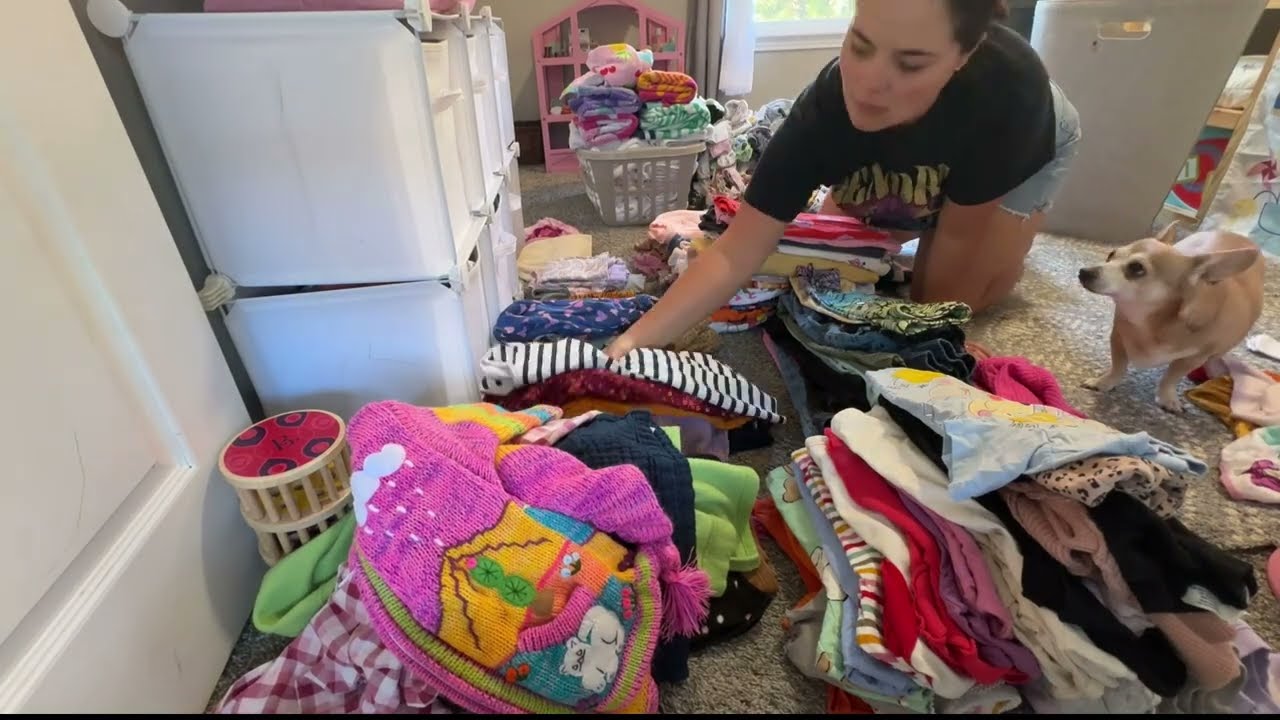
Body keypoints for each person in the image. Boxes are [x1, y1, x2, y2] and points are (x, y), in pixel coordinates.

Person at [606, 0, 1081, 360]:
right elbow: (735, 252)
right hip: (915, 145)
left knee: (946, 302)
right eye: (861, 44)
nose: (870, 81)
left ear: (964, 54)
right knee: (840, 250)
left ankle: (992, 239)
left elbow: (959, 239)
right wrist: (629, 344)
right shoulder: (825, 111)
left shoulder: (1007, 94)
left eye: (911, 63)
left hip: (1029, 138)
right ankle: (920, 204)